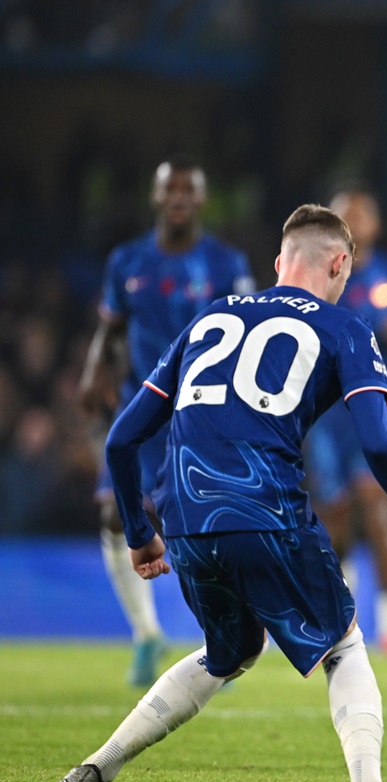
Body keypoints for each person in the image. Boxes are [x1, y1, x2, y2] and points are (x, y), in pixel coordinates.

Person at [54, 205, 387, 782]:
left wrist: (140, 534)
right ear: (340, 264)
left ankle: (95, 768)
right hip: (266, 509)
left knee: (230, 652)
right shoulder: (344, 326)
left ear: (278, 263)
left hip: (185, 520)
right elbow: (378, 441)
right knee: (342, 644)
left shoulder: (209, 318)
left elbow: (120, 439)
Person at [78, 158, 255, 687]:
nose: (178, 197)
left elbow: (250, 329)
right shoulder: (127, 260)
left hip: (206, 410)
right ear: (155, 197)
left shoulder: (226, 263)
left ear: (201, 200)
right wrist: (92, 369)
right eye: (168, 188)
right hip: (144, 403)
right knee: (115, 512)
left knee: (210, 519)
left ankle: (232, 628)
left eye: (188, 189)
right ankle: (146, 634)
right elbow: (111, 327)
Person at [303, 187, 387, 654]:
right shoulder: (317, 276)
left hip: (381, 410)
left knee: (377, 510)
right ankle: (344, 621)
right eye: (342, 219)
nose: (352, 227)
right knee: (334, 520)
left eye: (360, 218)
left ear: (374, 225)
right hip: (328, 414)